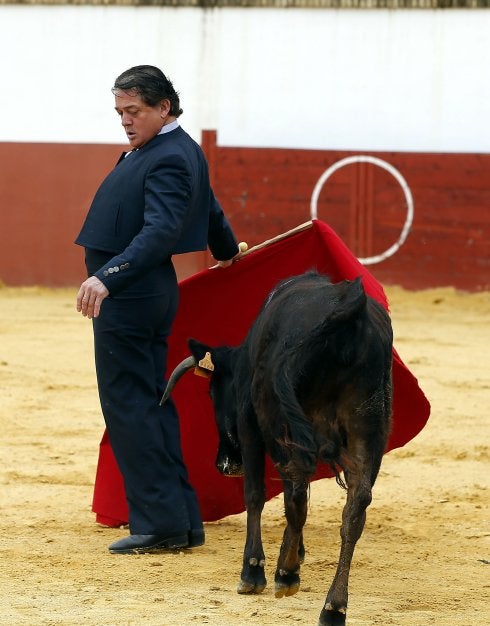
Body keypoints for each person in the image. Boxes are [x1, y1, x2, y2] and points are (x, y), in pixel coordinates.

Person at [75, 65, 240, 554]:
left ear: (163, 107)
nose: (125, 121)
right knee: (152, 403)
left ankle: (161, 524)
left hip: (133, 296)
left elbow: (161, 231)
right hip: (143, 293)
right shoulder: (175, 148)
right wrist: (226, 248)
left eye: (135, 111)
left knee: (131, 406)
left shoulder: (167, 155)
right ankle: (180, 520)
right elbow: (207, 206)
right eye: (120, 112)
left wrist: (108, 277)